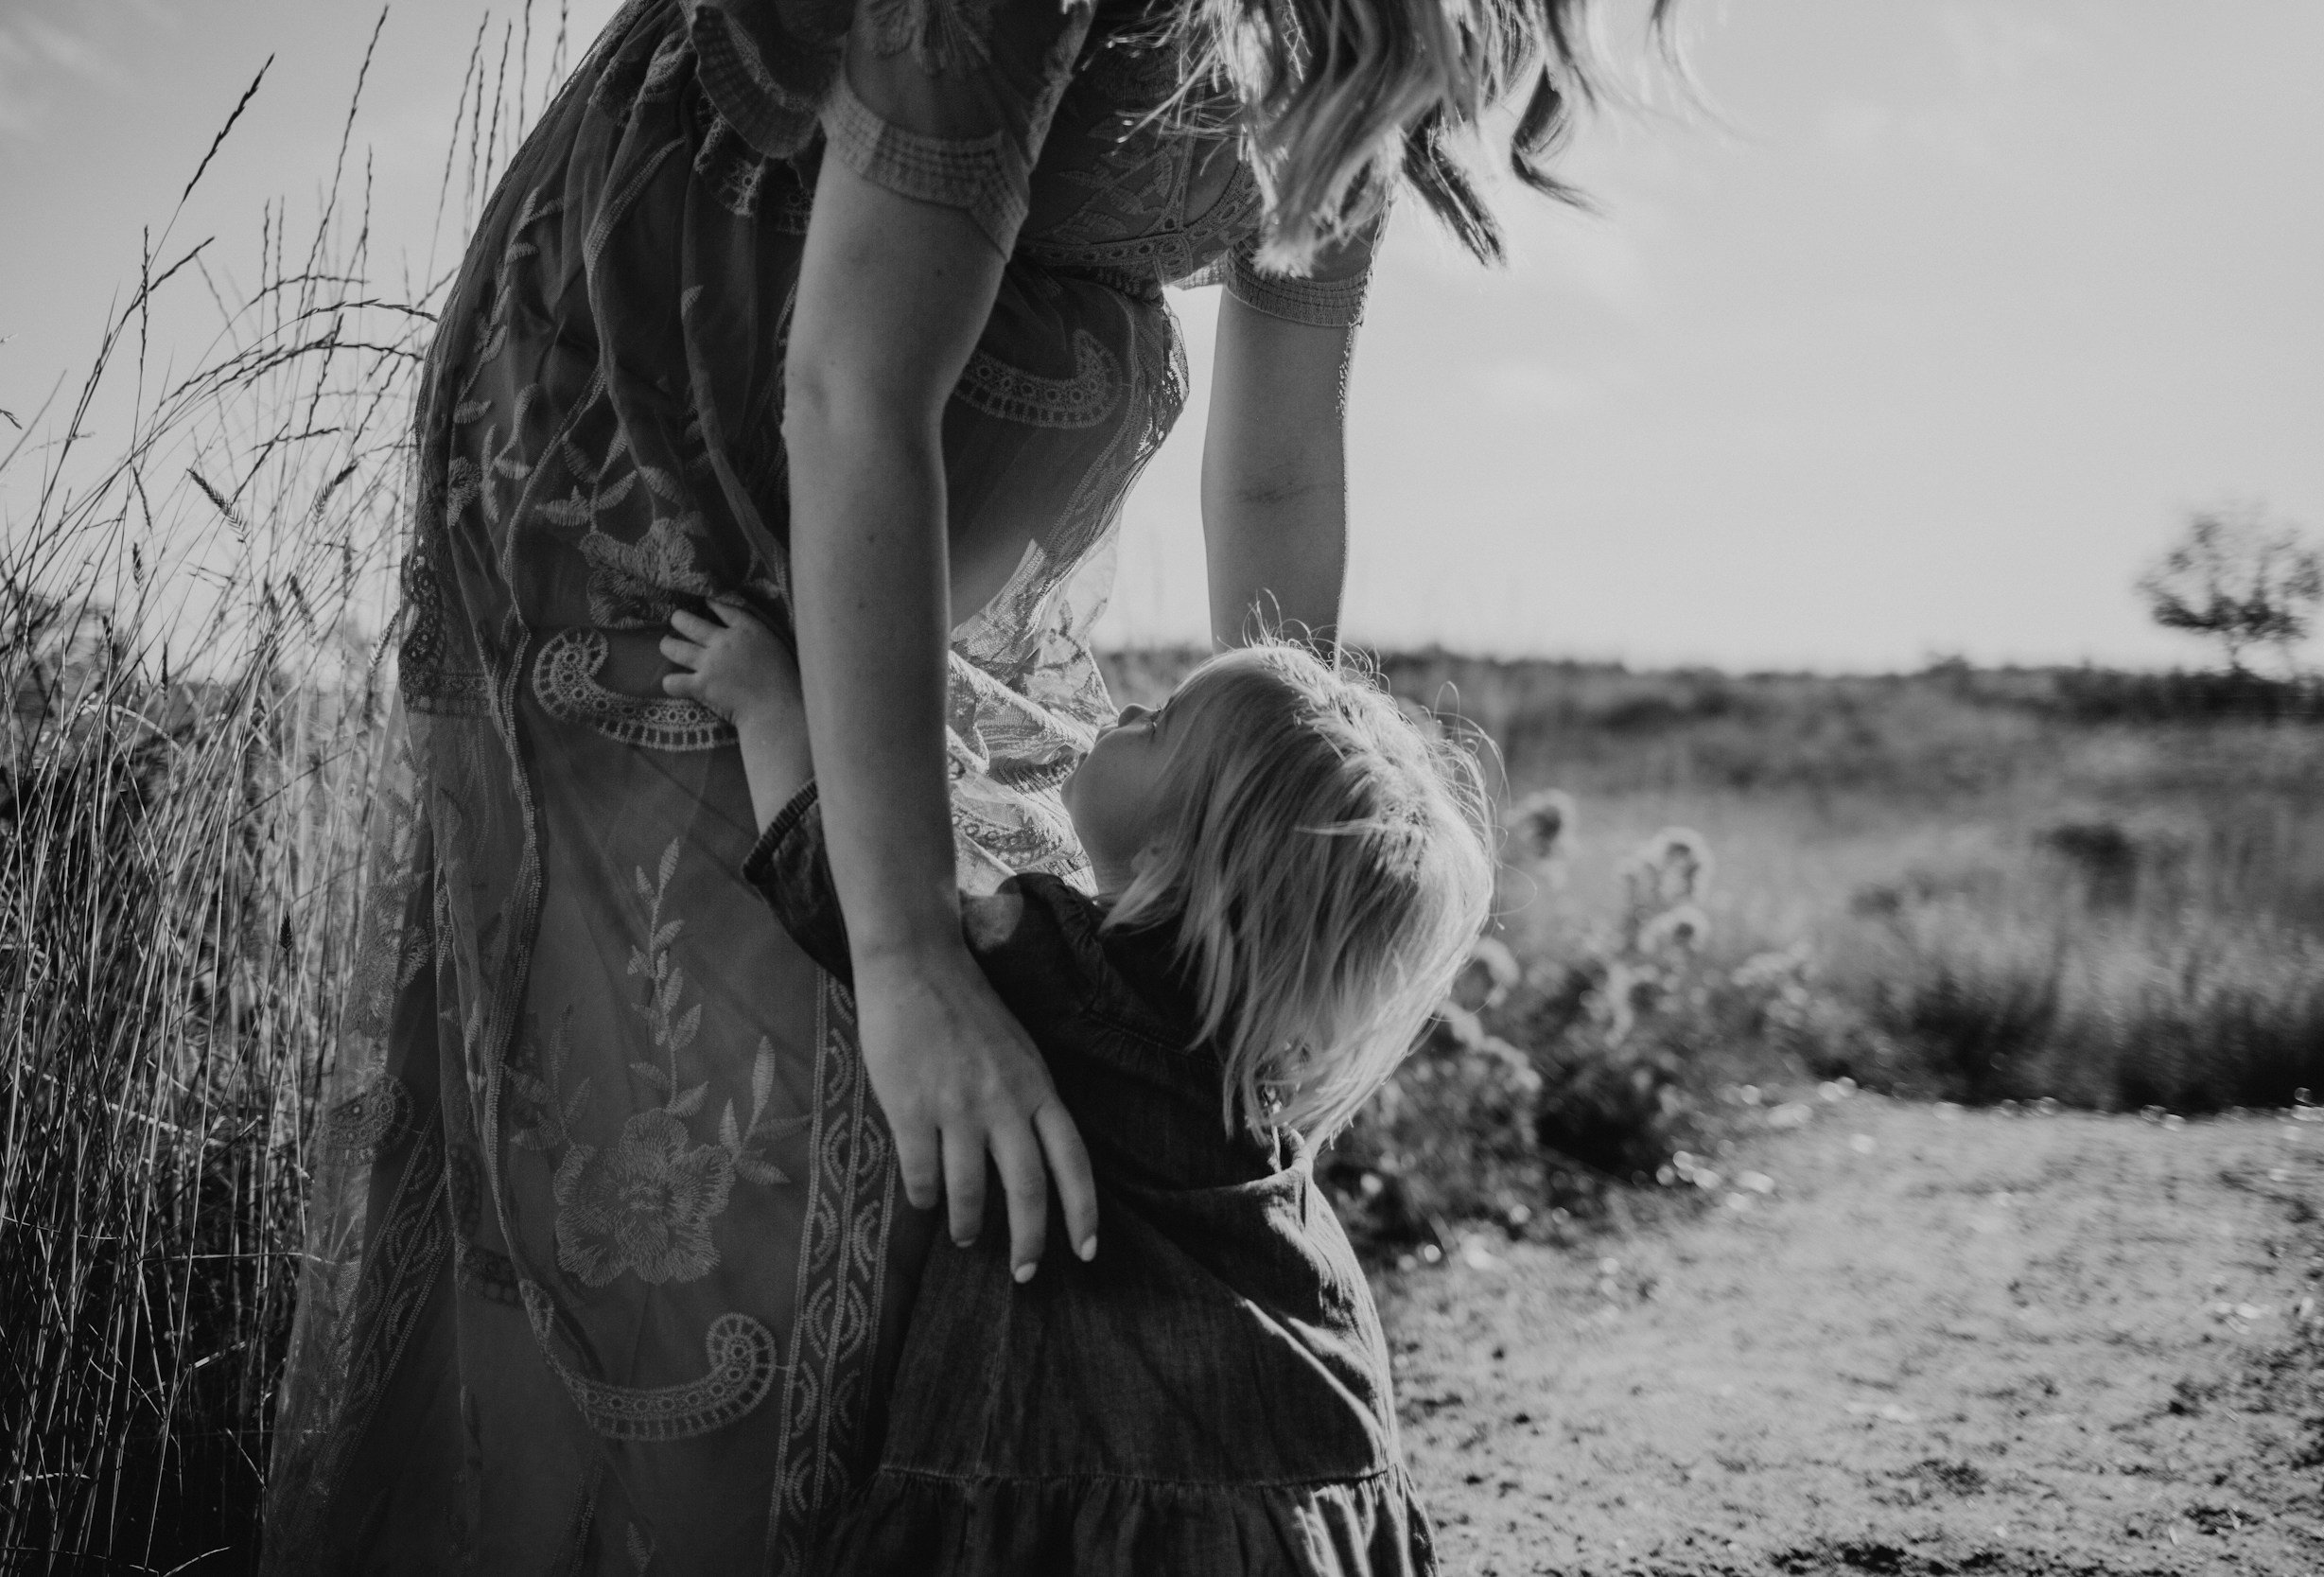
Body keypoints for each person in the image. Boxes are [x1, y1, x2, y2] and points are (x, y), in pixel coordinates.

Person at [264, 0, 1666, 1568]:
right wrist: (914, 951)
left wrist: (1276, 796)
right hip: (663, 421)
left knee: (835, 1121)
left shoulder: (1369, 37)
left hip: (871, 506)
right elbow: (854, 388)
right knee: (692, 1094)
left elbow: (1280, 469)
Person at [660, 602, 1489, 1573]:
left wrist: (765, 705)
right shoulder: (1254, 1054)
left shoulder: (1064, 970)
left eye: (1162, 723)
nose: (1130, 709)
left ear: (1173, 854)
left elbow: (847, 897)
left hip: (1068, 1448)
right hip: (1306, 1431)